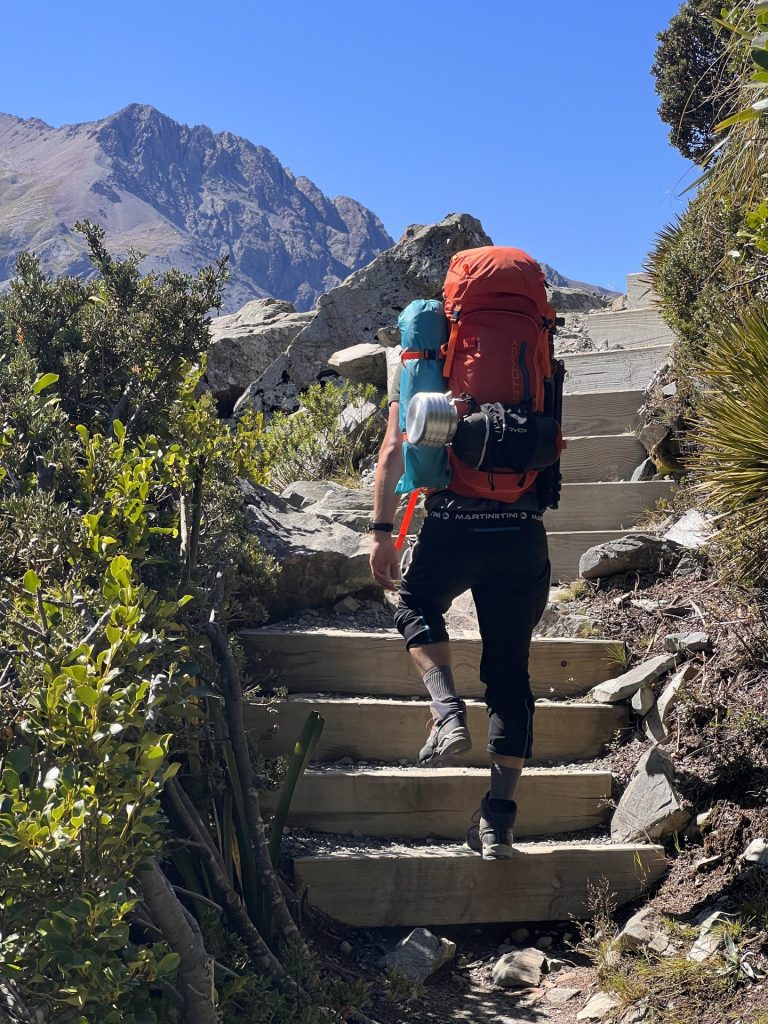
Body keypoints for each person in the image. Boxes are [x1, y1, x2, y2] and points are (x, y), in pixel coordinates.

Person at [368, 355, 551, 860]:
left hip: (454, 526)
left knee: (416, 602)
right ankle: (497, 823)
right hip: (523, 532)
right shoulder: (531, 360)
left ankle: (447, 712)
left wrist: (382, 534)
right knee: (511, 677)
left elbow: (394, 450)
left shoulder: (428, 362)